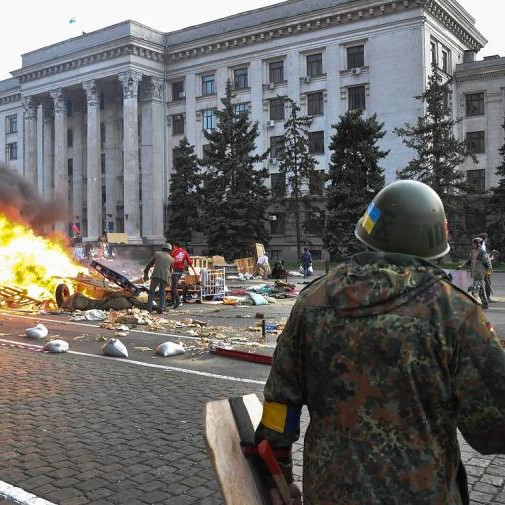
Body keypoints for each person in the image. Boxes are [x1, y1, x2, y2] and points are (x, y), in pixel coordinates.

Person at [255, 180, 505, 505]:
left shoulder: (312, 301)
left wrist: (279, 477)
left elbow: (279, 405)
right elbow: (493, 429)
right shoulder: (454, 312)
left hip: (329, 493)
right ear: (433, 241)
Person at [459, 237, 491, 309]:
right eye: (473, 243)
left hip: (480, 274)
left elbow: (488, 263)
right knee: (480, 290)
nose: (473, 245)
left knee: (475, 290)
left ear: (479, 244)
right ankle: (485, 304)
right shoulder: (472, 252)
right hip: (474, 273)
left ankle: (475, 305)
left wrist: (489, 271)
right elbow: (469, 261)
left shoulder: (483, 253)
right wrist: (462, 266)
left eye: (474, 243)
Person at [143, 243, 174, 314]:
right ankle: (161, 309)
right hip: (164, 277)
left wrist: (146, 272)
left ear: (162, 249)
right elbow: (171, 271)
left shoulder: (157, 254)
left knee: (151, 293)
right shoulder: (171, 259)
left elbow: (150, 264)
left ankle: (149, 310)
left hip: (155, 276)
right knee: (162, 293)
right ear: (170, 250)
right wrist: (169, 281)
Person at [171, 241, 193, 308]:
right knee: (174, 286)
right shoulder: (185, 252)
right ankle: (174, 302)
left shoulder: (173, 252)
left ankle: (177, 301)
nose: (173, 248)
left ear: (175, 246)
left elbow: (170, 260)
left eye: (173, 247)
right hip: (180, 271)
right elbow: (189, 262)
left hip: (175, 271)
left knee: (173, 287)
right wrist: (191, 261)